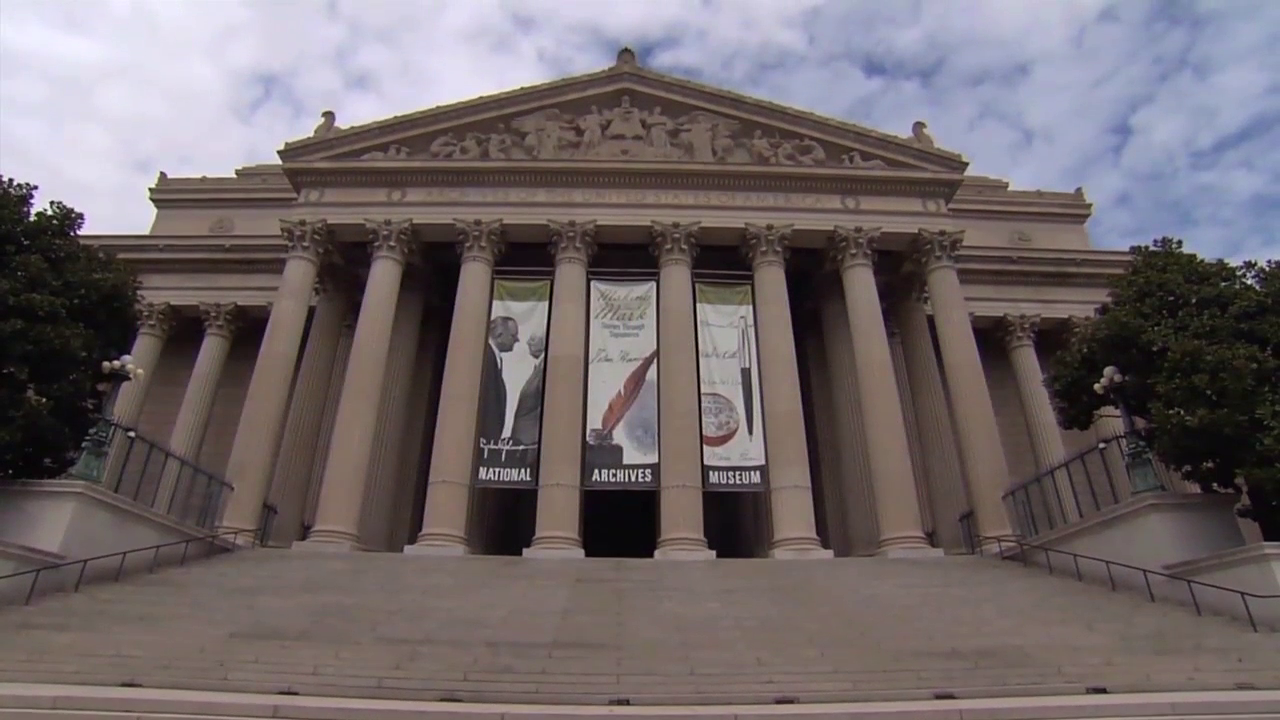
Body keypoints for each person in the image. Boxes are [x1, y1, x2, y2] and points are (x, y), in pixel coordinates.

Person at [478, 316, 517, 443]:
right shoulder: (486, 357)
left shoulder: (493, 357)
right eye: (513, 335)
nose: (517, 340)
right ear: (499, 335)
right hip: (482, 438)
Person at [509, 332, 545, 446]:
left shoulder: (545, 366)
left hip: (530, 442)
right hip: (526, 440)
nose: (528, 342)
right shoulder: (539, 366)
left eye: (533, 339)